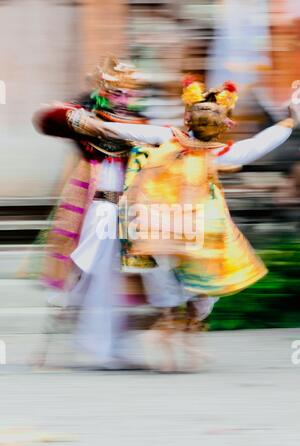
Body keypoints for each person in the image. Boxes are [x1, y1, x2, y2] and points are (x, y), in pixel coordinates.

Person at [66, 76, 298, 371]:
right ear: (188, 116)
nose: (208, 117)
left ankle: (177, 329)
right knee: (174, 282)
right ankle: (170, 329)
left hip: (192, 231)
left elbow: (255, 146)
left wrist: (288, 123)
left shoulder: (211, 149)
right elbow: (255, 146)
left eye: (215, 113)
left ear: (226, 123)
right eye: (203, 112)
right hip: (165, 228)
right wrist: (88, 123)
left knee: (201, 288)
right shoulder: (172, 138)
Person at [33, 57, 152, 369]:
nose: (124, 99)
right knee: (85, 272)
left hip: (127, 212)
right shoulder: (86, 119)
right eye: (117, 93)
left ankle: (113, 349)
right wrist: (87, 122)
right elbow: (46, 117)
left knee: (120, 277)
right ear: (103, 91)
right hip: (95, 208)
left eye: (129, 93)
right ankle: (80, 345)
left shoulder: (141, 125)